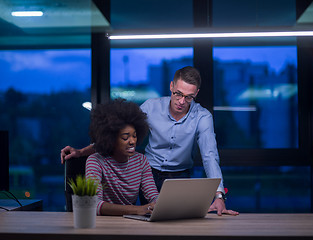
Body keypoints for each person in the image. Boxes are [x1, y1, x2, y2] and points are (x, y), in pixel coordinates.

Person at [61, 66, 239, 216]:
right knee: (150, 218)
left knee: (177, 221)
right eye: (178, 94)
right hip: (150, 171)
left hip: (180, 176)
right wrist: (82, 152)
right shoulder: (151, 107)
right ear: (171, 86)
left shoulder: (202, 116)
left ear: (196, 94)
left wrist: (219, 196)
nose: (181, 101)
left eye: (189, 97)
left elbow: (209, 156)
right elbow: (118, 130)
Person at [84, 99, 158, 216]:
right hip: (103, 224)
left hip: (130, 223)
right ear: (111, 139)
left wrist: (161, 204)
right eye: (125, 137)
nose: (132, 141)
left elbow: (153, 195)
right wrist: (137, 210)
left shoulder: (141, 161)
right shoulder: (95, 161)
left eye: (134, 136)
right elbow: (94, 204)